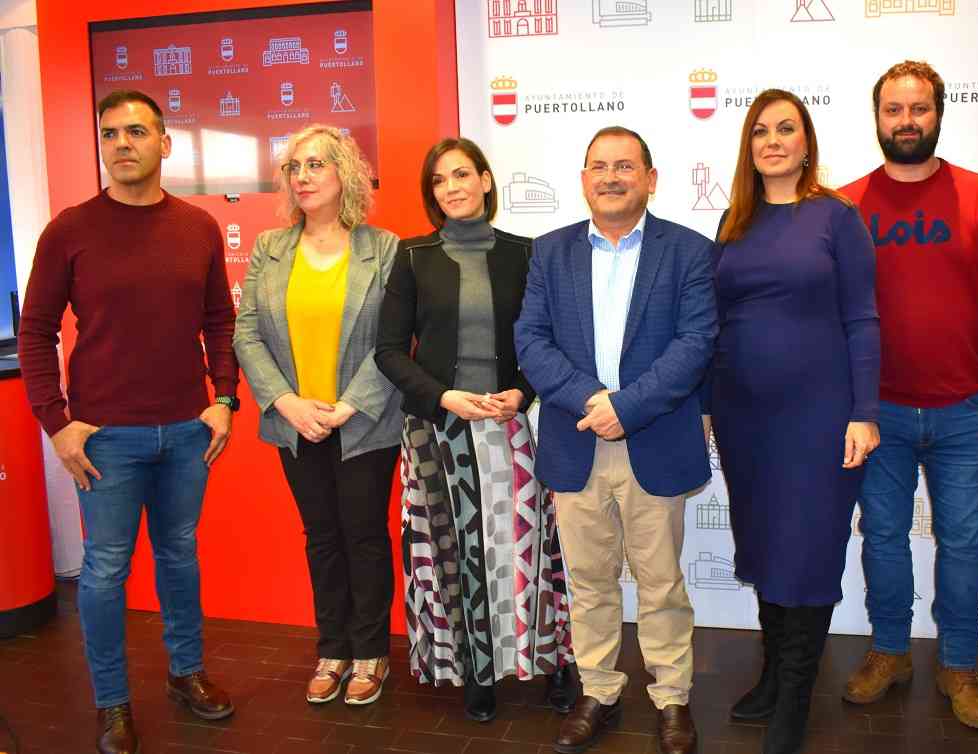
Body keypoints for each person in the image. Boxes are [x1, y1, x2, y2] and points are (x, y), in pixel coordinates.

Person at [18, 90, 237, 754]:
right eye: (110, 133)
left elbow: (219, 320)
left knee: (179, 556)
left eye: (136, 131)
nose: (122, 144)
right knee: (106, 570)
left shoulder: (198, 226)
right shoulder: (70, 229)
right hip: (104, 438)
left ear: (164, 143)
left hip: (187, 433)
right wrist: (56, 422)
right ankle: (112, 702)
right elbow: (35, 331)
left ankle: (185, 672)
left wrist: (224, 397)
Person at [515, 126, 717, 754]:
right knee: (590, 581)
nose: (610, 177)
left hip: (653, 437)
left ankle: (672, 696)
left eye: (625, 166)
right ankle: (598, 689)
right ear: (583, 180)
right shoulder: (550, 252)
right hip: (577, 438)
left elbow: (695, 344)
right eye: (599, 166)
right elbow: (530, 341)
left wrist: (625, 408)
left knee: (660, 583)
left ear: (650, 179)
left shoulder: (689, 251)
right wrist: (591, 401)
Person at [375, 137, 576, 722]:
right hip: (437, 430)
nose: (451, 188)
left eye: (461, 175)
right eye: (439, 181)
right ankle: (476, 670)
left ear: (486, 181)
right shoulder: (413, 256)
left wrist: (524, 393)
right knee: (454, 555)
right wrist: (443, 397)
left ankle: (551, 662)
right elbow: (389, 351)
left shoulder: (525, 254)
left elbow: (547, 342)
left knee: (527, 550)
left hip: (507, 426)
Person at [838, 60, 978, 729]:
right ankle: (890, 652)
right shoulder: (846, 206)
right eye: (894, 109)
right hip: (875, 410)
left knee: (964, 543)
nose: (906, 121)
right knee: (883, 536)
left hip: (965, 409)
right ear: (877, 117)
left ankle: (959, 663)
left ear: (938, 114)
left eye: (919, 108)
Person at [708, 89, 880, 754]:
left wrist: (864, 412)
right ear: (748, 147)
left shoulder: (837, 217)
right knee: (763, 544)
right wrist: (706, 405)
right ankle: (773, 675)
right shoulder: (735, 221)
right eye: (761, 131)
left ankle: (795, 699)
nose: (773, 141)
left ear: (806, 143)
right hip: (743, 416)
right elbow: (715, 321)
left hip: (819, 416)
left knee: (806, 549)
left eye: (786, 129)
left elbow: (862, 318)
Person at [232, 125, 404, 707]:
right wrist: (287, 402)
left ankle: (371, 652)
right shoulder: (269, 248)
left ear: (344, 173)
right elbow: (247, 334)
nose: (302, 177)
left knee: (364, 536)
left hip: (364, 422)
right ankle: (332, 649)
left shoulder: (383, 248)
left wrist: (347, 405)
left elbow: (394, 338)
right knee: (322, 537)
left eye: (315, 164)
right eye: (294, 167)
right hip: (295, 423)